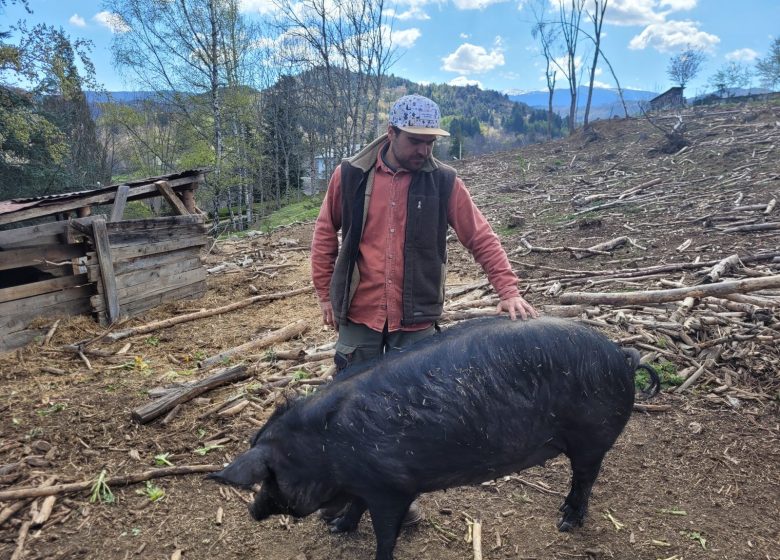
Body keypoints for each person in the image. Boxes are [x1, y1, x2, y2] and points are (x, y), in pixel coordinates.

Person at [310, 94, 538, 526]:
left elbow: (481, 236)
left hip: (416, 319)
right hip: (359, 314)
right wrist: (325, 294)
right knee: (344, 408)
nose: (423, 151)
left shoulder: (445, 183)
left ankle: (399, 495)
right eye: (415, 141)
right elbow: (325, 234)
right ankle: (341, 493)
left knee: (409, 414)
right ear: (391, 133)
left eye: (430, 143)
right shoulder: (350, 176)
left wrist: (507, 288)